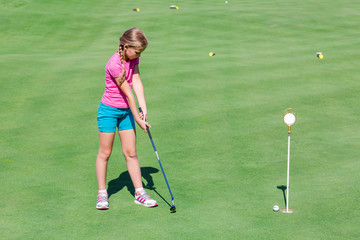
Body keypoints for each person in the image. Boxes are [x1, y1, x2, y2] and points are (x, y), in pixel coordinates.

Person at [95, 28, 157, 210]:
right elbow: (129, 95)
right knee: (105, 153)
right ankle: (102, 194)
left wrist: (144, 107)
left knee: (131, 153)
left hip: (125, 113)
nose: (138, 55)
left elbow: (136, 80)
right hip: (109, 111)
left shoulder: (133, 57)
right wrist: (138, 119)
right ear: (126, 46)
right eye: (137, 52)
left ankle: (139, 192)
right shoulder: (114, 64)